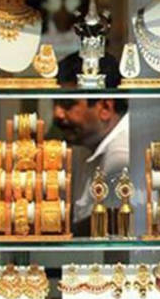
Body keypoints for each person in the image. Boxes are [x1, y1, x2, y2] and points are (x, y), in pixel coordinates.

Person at [53, 53, 129, 236]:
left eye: (67, 104)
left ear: (105, 108)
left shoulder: (122, 155)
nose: (57, 113)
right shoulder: (85, 145)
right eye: (55, 103)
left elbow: (108, 224)